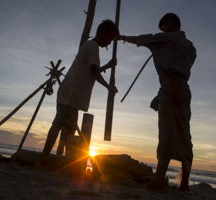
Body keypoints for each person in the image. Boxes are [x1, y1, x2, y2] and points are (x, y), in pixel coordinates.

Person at [118, 13, 196, 192]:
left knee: (167, 132)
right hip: (183, 90)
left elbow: (142, 39)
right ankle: (184, 184)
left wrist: (121, 37)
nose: (161, 32)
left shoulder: (166, 38)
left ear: (169, 24)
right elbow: (185, 65)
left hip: (170, 88)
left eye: (162, 28)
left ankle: (159, 180)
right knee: (184, 134)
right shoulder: (191, 47)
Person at [37, 19, 119, 169]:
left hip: (72, 92)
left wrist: (107, 66)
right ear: (103, 33)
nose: (109, 43)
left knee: (69, 127)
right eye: (109, 39)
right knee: (60, 123)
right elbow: (94, 72)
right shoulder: (93, 46)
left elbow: (90, 71)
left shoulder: (90, 46)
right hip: (72, 92)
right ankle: (44, 158)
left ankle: (64, 161)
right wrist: (109, 87)